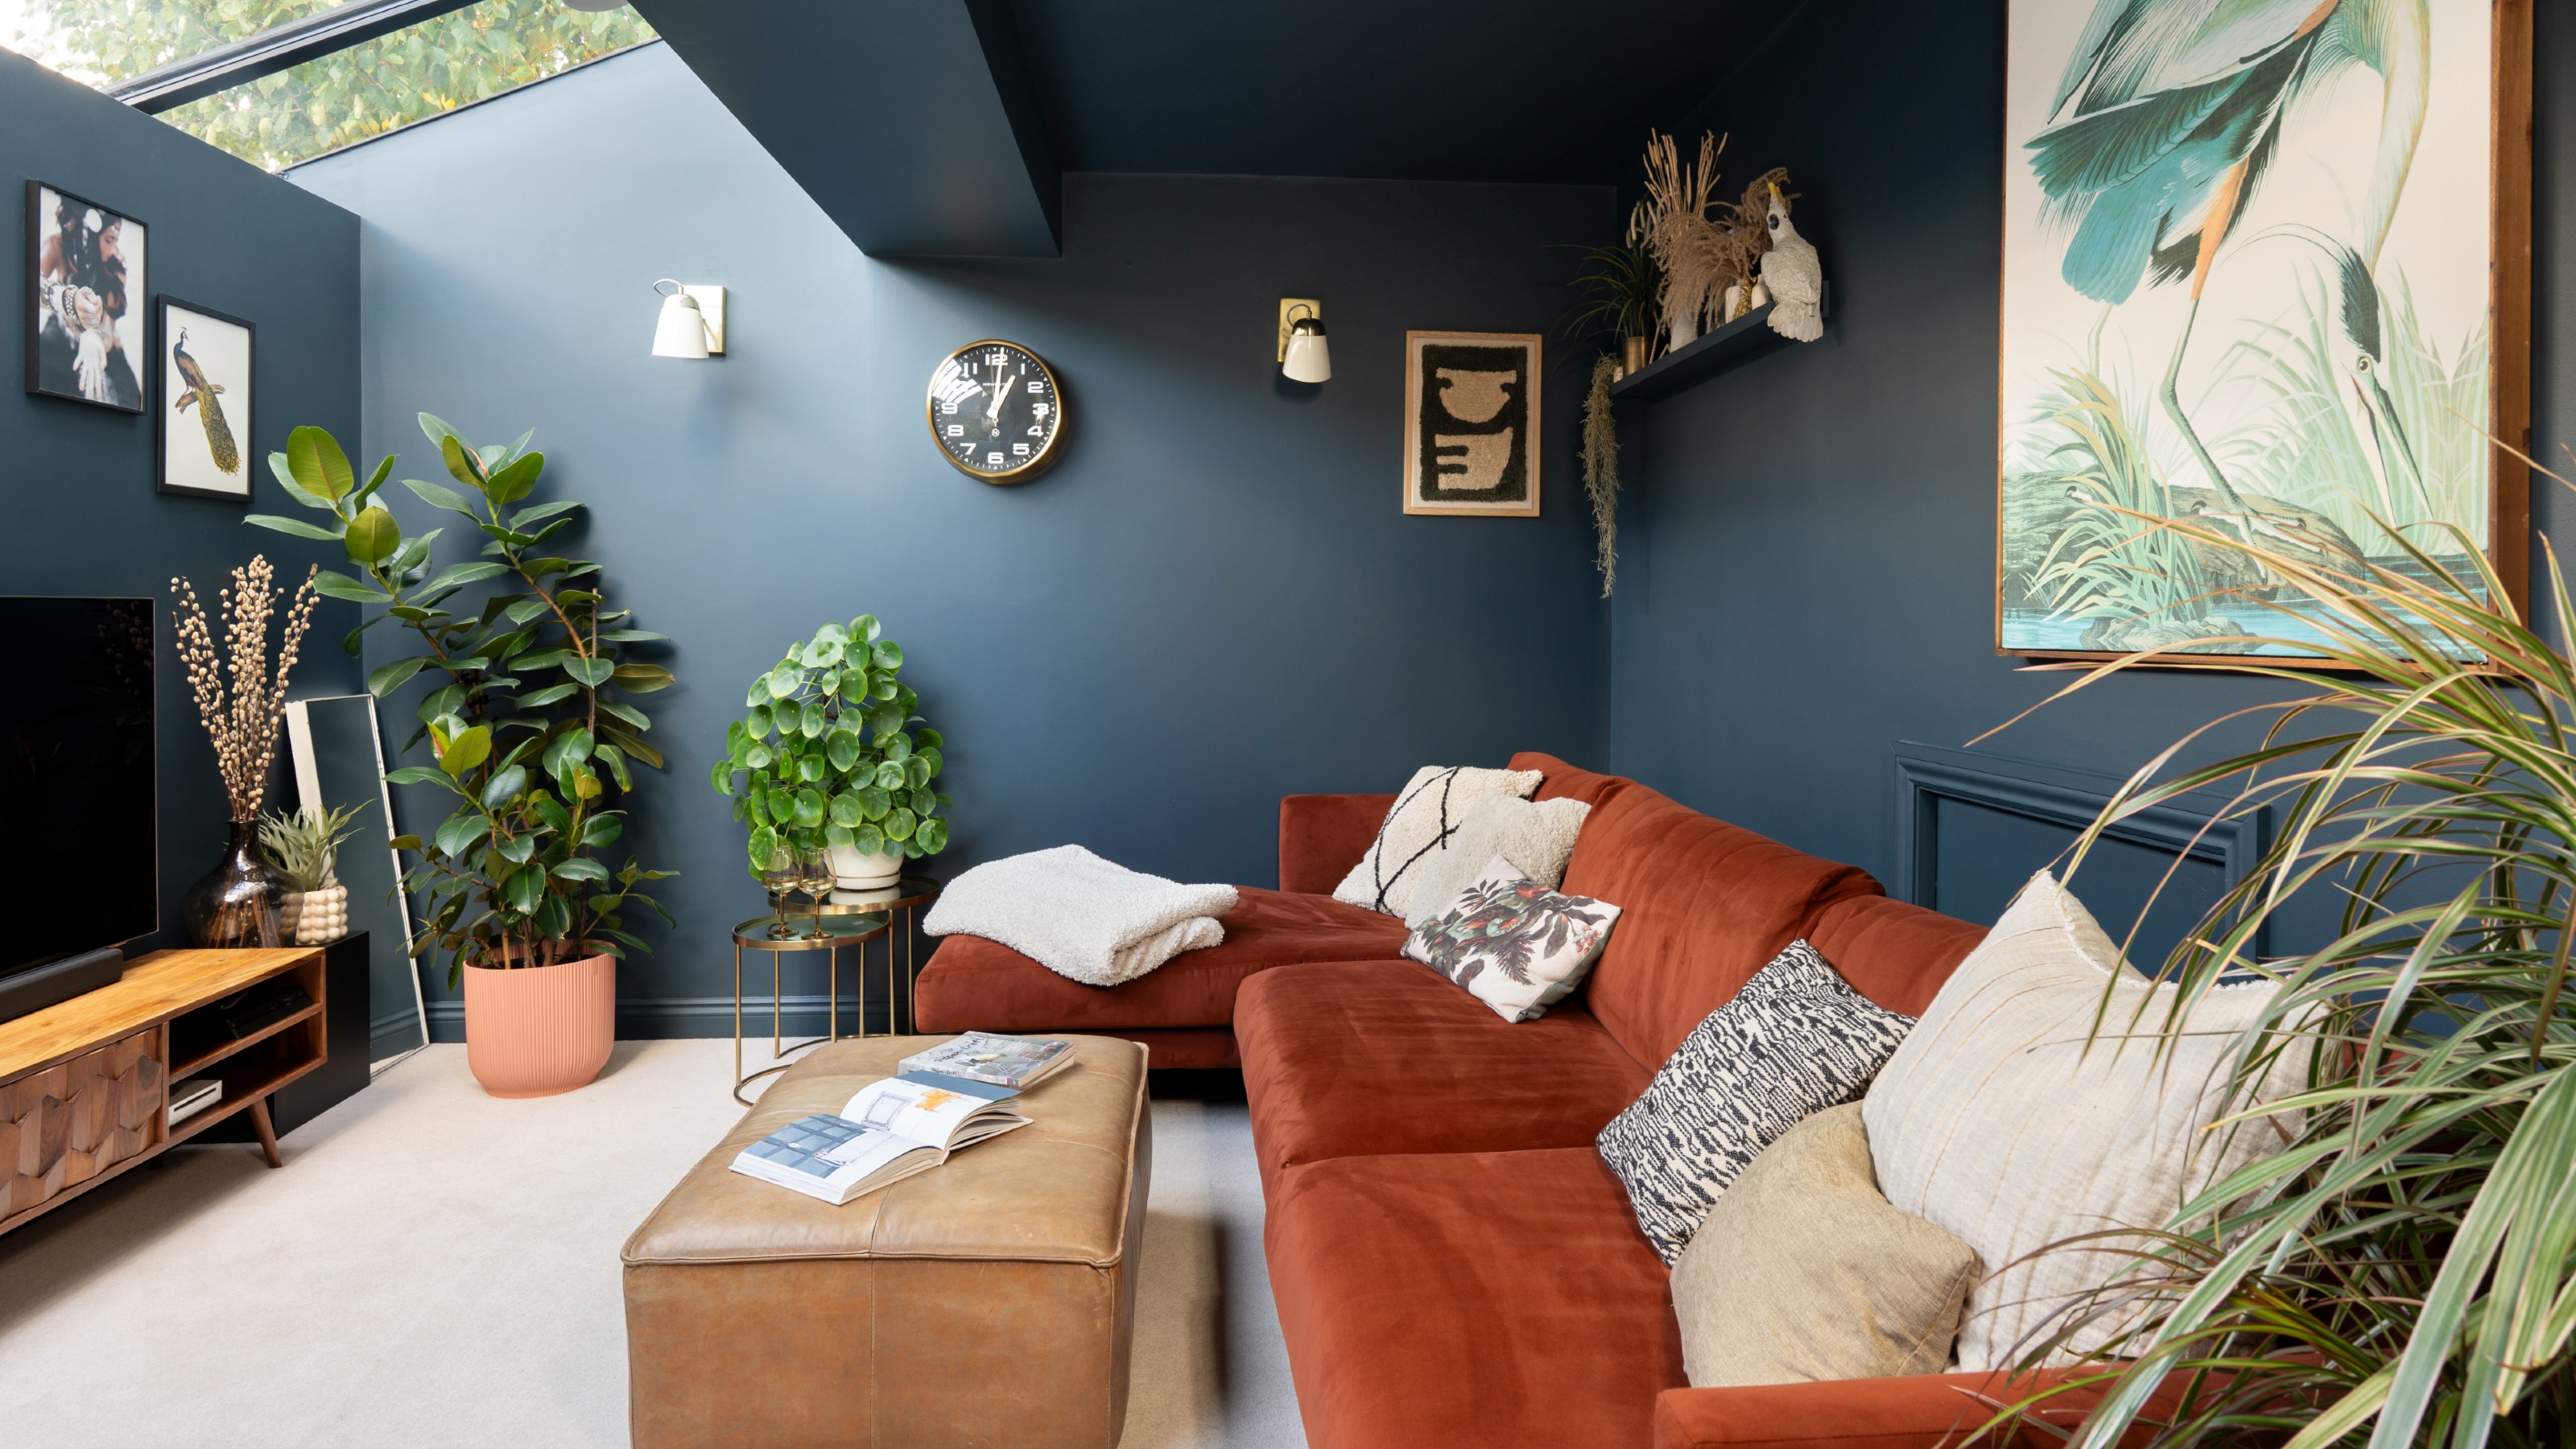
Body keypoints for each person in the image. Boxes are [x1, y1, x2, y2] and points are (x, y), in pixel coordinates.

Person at [35, 194, 140, 407]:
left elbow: (109, 325)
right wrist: (67, 300)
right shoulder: (57, 245)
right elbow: (31, 284)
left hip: (105, 347)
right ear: (88, 235)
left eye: (115, 241)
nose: (113, 249)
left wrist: (94, 336)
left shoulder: (116, 264)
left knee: (130, 403)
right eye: (108, 240)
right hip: (61, 337)